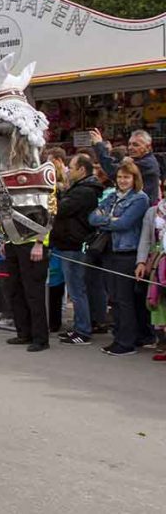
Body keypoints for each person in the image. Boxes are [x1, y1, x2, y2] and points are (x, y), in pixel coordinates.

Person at [89, 160, 151, 356]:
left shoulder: (140, 199)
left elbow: (124, 223)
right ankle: (120, 336)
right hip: (110, 251)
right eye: (120, 177)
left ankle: (127, 342)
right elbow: (92, 217)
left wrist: (106, 220)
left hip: (127, 252)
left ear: (134, 179)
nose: (122, 180)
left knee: (124, 299)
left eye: (127, 177)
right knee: (114, 298)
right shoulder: (113, 196)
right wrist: (110, 220)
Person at [51, 154, 103, 345]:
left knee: (77, 290)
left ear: (82, 170)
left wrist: (57, 193)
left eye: (71, 168)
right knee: (78, 289)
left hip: (74, 245)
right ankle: (80, 326)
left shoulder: (83, 192)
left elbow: (60, 209)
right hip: (69, 243)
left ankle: (83, 330)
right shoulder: (80, 189)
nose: (67, 171)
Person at [90, 128, 161, 205]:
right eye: (129, 144)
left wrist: (99, 145)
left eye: (135, 145)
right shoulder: (137, 160)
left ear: (148, 147)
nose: (130, 148)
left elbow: (113, 170)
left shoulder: (146, 163)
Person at [136, 196, 166, 360]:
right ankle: (162, 340)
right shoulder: (153, 211)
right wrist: (141, 262)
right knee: (158, 299)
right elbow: (145, 239)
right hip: (158, 261)